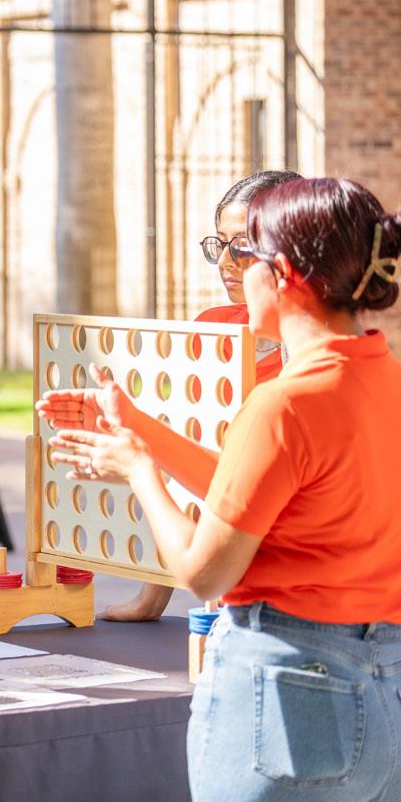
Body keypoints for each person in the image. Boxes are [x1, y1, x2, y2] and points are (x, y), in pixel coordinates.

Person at [40, 177, 401, 802]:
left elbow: (203, 574)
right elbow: (260, 496)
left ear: (283, 275)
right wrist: (138, 427)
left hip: (291, 708)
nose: (230, 268)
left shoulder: (283, 405)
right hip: (393, 709)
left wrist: (138, 470)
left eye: (243, 253)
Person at [105, 168, 301, 622]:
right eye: (220, 244)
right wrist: (152, 597)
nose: (226, 263)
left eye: (243, 247)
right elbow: (187, 452)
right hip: (212, 541)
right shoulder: (212, 327)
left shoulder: (305, 359)